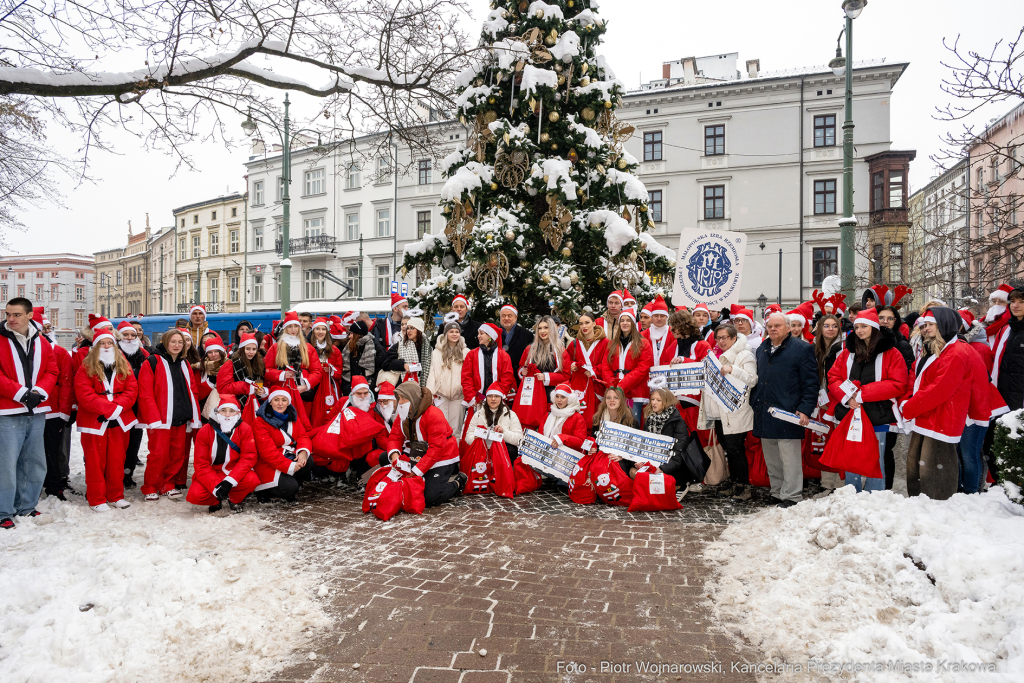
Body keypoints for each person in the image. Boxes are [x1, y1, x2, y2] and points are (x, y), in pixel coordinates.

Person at [826, 308, 910, 493]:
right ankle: (851, 492)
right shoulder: (848, 353)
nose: (859, 330)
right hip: (850, 412)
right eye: (856, 327)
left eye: (864, 326)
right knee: (850, 456)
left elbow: (898, 383)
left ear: (874, 328)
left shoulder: (892, 353)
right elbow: (833, 377)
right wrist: (847, 398)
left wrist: (862, 395)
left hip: (877, 415)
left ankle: (875, 496)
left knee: (875, 458)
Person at [0, 298, 59, 528]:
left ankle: (26, 506)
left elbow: (52, 370)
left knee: (34, 461)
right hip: (7, 411)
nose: (11, 319)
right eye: (8, 314)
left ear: (29, 315)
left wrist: (39, 391)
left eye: (16, 314)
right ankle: (4, 511)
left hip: (37, 410)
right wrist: (22, 393)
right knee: (6, 463)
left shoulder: (42, 341)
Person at [902, 307, 971, 500]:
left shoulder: (956, 353)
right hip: (925, 416)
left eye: (931, 325)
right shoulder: (935, 349)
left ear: (944, 325)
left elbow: (939, 389)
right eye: (924, 325)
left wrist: (909, 407)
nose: (925, 329)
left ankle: (937, 508)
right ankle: (918, 504)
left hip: (941, 419)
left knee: (934, 468)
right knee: (916, 466)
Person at [750, 312, 819, 507]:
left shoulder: (802, 349)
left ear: (788, 328)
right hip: (765, 411)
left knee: (790, 458)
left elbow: (811, 383)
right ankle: (778, 491)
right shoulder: (762, 348)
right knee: (772, 458)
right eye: (770, 326)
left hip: (789, 412)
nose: (773, 329)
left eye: (778, 326)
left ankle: (792, 495)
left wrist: (805, 409)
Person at [74, 327, 138, 511]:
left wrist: (119, 407)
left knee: (117, 460)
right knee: (95, 462)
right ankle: (96, 499)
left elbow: (132, 389)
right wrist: (108, 408)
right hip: (95, 420)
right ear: (95, 346)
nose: (107, 346)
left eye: (110, 343)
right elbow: (84, 394)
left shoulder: (123, 364)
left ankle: (115, 495)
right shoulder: (86, 366)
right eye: (102, 343)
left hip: (120, 419)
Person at [137, 329, 202, 500]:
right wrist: (153, 417)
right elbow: (145, 392)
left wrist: (193, 415)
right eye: (173, 341)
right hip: (160, 418)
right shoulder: (152, 361)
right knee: (158, 454)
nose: (177, 345)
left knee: (177, 454)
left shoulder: (184, 363)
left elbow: (192, 390)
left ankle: (168, 483)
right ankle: (150, 485)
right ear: (166, 342)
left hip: (180, 417)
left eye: (180, 342)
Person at [697, 324, 758, 501]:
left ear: (734, 338)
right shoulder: (714, 355)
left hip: (736, 411)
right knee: (728, 449)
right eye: (718, 338)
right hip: (719, 412)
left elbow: (753, 380)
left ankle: (743, 487)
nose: (721, 341)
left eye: (725, 337)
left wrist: (734, 370)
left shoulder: (744, 354)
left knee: (735, 449)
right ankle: (734, 483)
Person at [385, 381, 466, 506]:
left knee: (430, 497)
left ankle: (458, 482)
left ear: (413, 398)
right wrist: (395, 457)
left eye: (404, 398)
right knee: (384, 458)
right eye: (399, 398)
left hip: (442, 456)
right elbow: (395, 437)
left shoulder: (433, 414)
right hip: (416, 452)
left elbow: (436, 449)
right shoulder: (403, 414)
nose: (399, 402)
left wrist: (415, 471)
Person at [186, 395, 259, 513]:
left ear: (237, 413)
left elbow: (249, 457)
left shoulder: (245, 429)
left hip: (234, 471)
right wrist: (215, 486)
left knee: (252, 480)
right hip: (212, 472)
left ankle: (235, 499)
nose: (227, 415)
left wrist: (230, 480)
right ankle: (216, 500)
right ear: (217, 411)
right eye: (223, 410)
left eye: (231, 411)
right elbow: (201, 464)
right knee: (195, 495)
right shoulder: (204, 431)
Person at [263, 311, 323, 427]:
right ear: (285, 328)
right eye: (290, 326)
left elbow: (317, 371)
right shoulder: (275, 348)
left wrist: (306, 385)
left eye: (296, 326)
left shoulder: (308, 348)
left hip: (303, 393)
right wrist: (282, 375)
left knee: (302, 423)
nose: (293, 329)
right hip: (281, 392)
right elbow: (267, 371)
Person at [253, 389, 312, 502]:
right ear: (270, 402)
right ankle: (264, 492)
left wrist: (303, 452)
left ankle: (289, 485)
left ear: (288, 402)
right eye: (276, 400)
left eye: (284, 400)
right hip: (268, 463)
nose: (280, 403)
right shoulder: (260, 422)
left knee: (308, 460)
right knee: (290, 487)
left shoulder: (292, 417)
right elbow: (267, 452)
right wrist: (289, 466)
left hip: (287, 456)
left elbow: (303, 436)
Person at [39, 311, 74, 500]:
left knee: (52, 450)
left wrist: (64, 411)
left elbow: (66, 383)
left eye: (46, 329)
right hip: (26, 411)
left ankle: (54, 484)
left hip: (52, 411)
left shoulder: (59, 352)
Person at [513, 316, 570, 431]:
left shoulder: (560, 350)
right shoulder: (530, 349)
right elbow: (521, 367)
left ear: (552, 329)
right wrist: (522, 372)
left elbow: (566, 375)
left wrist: (546, 377)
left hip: (550, 397)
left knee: (546, 429)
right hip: (531, 397)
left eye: (546, 328)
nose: (542, 331)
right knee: (527, 428)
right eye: (540, 328)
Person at [640, 388, 703, 486]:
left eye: (658, 400)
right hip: (655, 463)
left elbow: (678, 453)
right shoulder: (649, 420)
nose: (654, 403)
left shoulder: (677, 422)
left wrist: (662, 468)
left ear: (666, 401)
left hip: (674, 467)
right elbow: (644, 447)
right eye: (652, 399)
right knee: (633, 472)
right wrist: (642, 463)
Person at [113, 320, 149, 490]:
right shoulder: (111, 353)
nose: (129, 338)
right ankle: (114, 474)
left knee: (134, 442)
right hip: (117, 406)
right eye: (125, 334)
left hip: (137, 405)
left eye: (132, 335)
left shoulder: (143, 354)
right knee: (117, 443)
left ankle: (128, 474)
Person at [811, 314, 844, 493]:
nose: (830, 329)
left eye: (834, 326)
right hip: (820, 403)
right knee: (823, 443)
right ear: (820, 328)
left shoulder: (843, 348)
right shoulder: (815, 349)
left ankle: (839, 483)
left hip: (837, 401)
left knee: (837, 443)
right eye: (826, 325)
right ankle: (826, 482)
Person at [666, 308, 711, 436]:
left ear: (684, 327)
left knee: (698, 439)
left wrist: (683, 361)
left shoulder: (703, 345)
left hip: (695, 403)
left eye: (674, 327)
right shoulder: (672, 346)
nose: (671, 330)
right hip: (675, 403)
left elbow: (708, 369)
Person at [605, 310, 653, 424]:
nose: (625, 323)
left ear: (633, 323)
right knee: (615, 423)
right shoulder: (612, 344)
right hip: (614, 392)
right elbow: (606, 366)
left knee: (631, 424)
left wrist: (621, 386)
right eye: (622, 320)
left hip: (635, 393)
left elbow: (642, 369)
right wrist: (612, 386)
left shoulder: (643, 343)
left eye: (628, 320)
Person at [425, 321, 469, 434]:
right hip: (441, 397)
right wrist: (430, 394)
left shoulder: (465, 352)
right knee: (440, 429)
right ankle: (442, 452)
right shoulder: (436, 352)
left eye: (457, 332)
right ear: (445, 334)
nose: (454, 334)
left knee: (456, 430)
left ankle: (455, 452)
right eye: (451, 332)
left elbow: (468, 374)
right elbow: (432, 373)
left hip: (458, 396)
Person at [567, 311, 608, 429]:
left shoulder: (605, 343)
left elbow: (608, 364)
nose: (584, 326)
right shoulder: (574, 344)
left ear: (594, 323)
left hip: (597, 389)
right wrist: (572, 365)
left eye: (587, 323)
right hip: (580, 388)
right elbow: (566, 362)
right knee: (579, 420)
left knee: (596, 420)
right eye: (581, 324)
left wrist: (594, 371)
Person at [461, 323, 515, 411]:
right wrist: (471, 397)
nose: (478, 336)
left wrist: (497, 396)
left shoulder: (503, 356)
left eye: (481, 333)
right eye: (478, 333)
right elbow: (466, 378)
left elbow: (507, 378)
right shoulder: (472, 355)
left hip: (497, 399)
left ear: (490, 336)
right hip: (478, 399)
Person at [464, 382, 524, 460]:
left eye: (496, 396)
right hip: (483, 448)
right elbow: (468, 437)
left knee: (511, 450)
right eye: (490, 396)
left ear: (501, 398)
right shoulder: (478, 414)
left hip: (502, 449)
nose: (493, 399)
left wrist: (503, 433)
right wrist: (475, 438)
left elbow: (519, 439)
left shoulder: (511, 414)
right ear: (486, 398)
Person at [306, 317, 344, 427]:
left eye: (323, 329)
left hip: (330, 387)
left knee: (329, 413)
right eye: (317, 329)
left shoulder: (334, 350)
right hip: (313, 386)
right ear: (313, 331)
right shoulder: (307, 348)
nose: (320, 332)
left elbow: (340, 371)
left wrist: (332, 370)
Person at [217, 333, 267, 414]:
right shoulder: (231, 364)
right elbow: (222, 388)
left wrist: (264, 391)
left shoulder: (260, 363)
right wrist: (245, 387)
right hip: (237, 408)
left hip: (257, 405)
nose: (251, 352)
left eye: (254, 349)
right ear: (242, 349)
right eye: (248, 349)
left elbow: (265, 382)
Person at [992, 288, 1024, 411]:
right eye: (1012, 301)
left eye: (1021, 301)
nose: (1015, 306)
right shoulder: (1005, 330)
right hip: (1003, 395)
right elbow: (994, 358)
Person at [382, 317, 431, 387]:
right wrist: (403, 365)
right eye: (408, 328)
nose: (408, 331)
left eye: (412, 328)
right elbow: (385, 363)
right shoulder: (399, 345)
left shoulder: (428, 348)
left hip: (422, 386)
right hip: (402, 386)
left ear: (419, 330)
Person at [341, 319, 377, 395]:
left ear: (358, 334)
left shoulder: (374, 345)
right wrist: (346, 388)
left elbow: (377, 368)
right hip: (350, 388)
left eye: (351, 333)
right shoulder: (349, 346)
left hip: (366, 388)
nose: (349, 336)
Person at [195, 334, 227, 418]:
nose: (213, 355)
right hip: (206, 411)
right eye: (210, 352)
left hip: (227, 410)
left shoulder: (229, 365)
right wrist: (210, 382)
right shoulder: (200, 367)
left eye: (216, 351)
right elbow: (198, 394)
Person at [499, 304, 534, 379]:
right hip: (499, 376)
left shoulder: (527, 335)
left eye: (510, 315)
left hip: (519, 377)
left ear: (516, 317)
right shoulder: (494, 334)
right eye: (503, 316)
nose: (506, 318)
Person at [642, 295, 677, 369]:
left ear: (667, 317)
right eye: (656, 316)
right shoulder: (643, 335)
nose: (659, 319)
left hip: (668, 374)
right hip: (647, 375)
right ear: (651, 317)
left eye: (662, 316)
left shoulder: (674, 333)